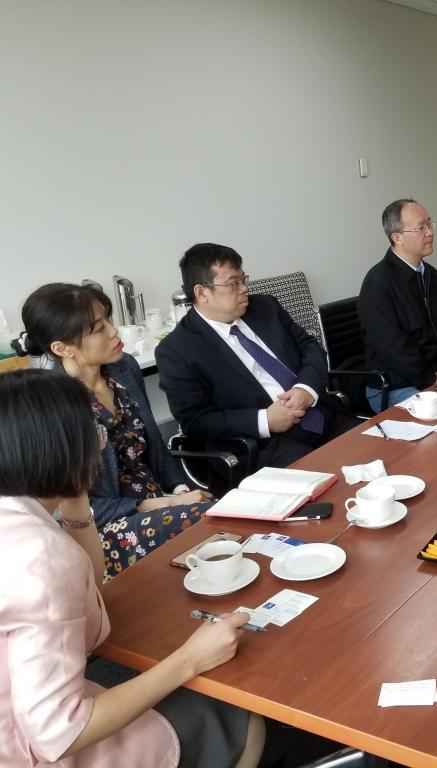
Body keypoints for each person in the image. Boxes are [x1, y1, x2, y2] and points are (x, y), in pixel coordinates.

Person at [0, 369, 264, 767]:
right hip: (32, 748)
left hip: (28, 708)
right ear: (60, 447)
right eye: (93, 434)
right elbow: (58, 733)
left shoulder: (21, 523)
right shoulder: (40, 556)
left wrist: (76, 498)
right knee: (239, 713)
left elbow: (87, 583)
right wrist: (190, 659)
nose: (100, 443)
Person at [21, 283, 213, 580]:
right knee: (206, 522)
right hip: (105, 527)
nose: (114, 332)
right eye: (99, 329)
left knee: (222, 514)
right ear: (62, 348)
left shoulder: (124, 368)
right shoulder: (51, 405)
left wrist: (180, 490)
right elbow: (67, 508)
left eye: (109, 320)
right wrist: (164, 503)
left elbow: (154, 443)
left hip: (164, 503)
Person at [157, 244, 356, 470]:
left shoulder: (265, 306)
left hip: (318, 413)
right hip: (260, 444)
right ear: (202, 293)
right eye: (233, 283)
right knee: (324, 475)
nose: (244, 288)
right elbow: (196, 421)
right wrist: (264, 420)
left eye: (244, 279)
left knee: (375, 450)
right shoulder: (176, 350)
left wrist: (306, 389)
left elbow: (310, 347)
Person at [358, 199, 437, 412]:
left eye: (429, 224)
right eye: (421, 228)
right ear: (397, 238)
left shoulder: (431, 274)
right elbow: (392, 347)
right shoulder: (377, 283)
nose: (430, 232)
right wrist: (430, 378)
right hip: (396, 386)